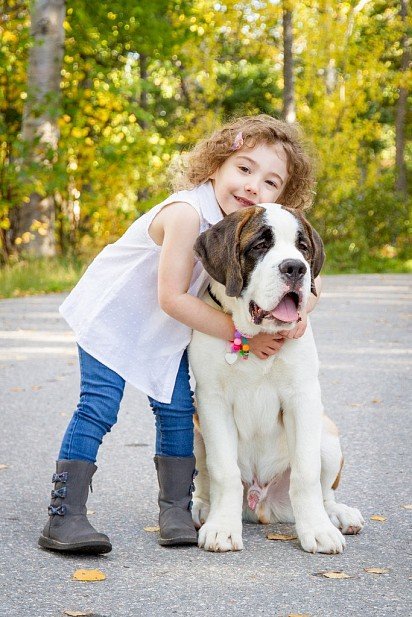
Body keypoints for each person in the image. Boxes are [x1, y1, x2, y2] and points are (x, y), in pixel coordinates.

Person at [38, 114, 318, 554]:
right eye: (243, 169)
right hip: (115, 321)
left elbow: (310, 284)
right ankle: (65, 514)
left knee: (176, 411)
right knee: (98, 407)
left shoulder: (245, 229)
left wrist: (300, 312)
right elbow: (171, 297)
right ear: (215, 166)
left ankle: (175, 509)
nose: (252, 187)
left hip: (165, 331)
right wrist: (244, 338)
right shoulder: (188, 213)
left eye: (269, 183)